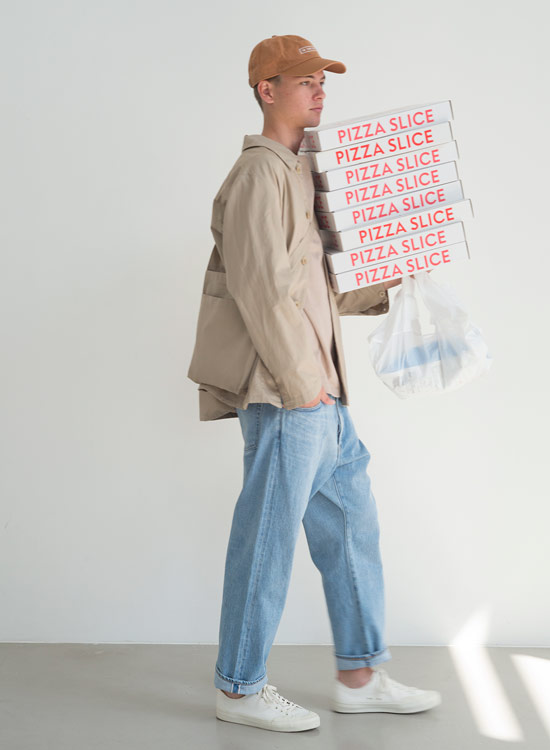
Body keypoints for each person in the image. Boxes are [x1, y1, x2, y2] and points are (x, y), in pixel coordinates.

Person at [186, 34, 441, 733]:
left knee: (352, 528)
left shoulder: (302, 171)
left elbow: (316, 287)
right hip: (288, 395)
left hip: (324, 398)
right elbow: (262, 292)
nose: (319, 90)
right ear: (266, 91)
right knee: (267, 538)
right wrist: (304, 388)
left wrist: (396, 275)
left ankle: (359, 677)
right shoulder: (258, 175)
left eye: (322, 80)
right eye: (304, 81)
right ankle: (239, 688)